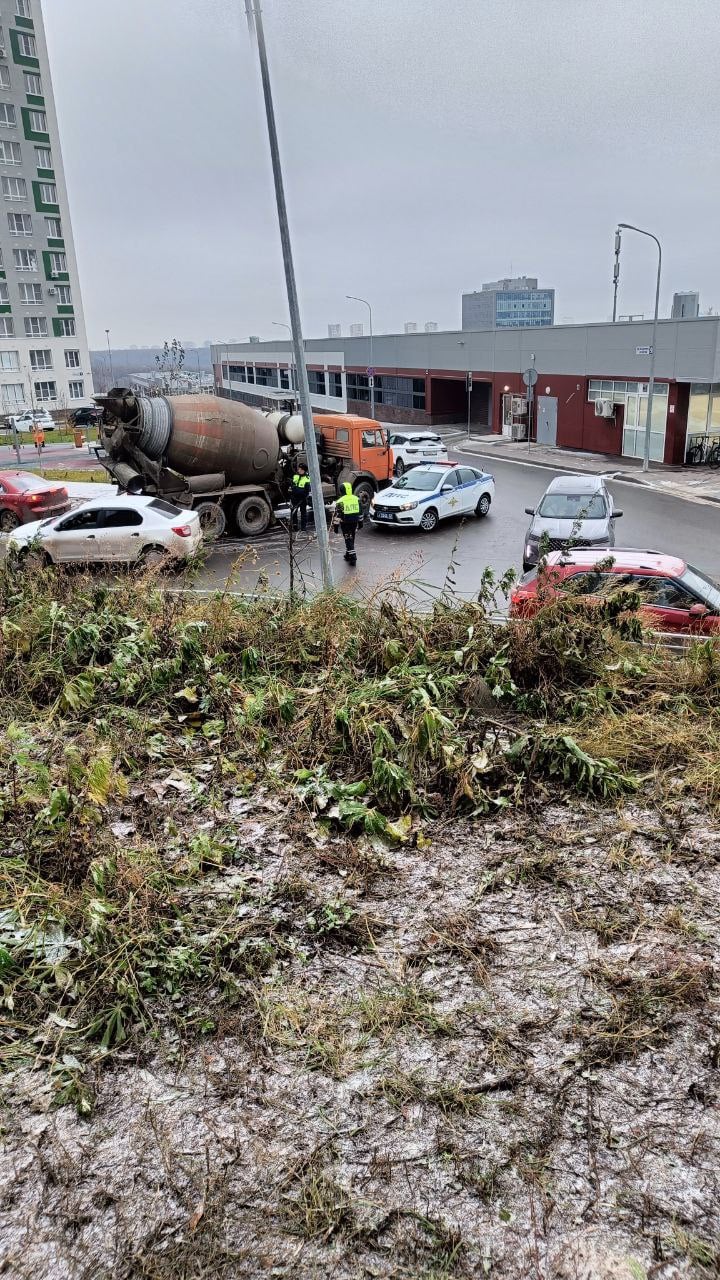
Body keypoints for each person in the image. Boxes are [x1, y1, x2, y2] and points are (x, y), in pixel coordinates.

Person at [333, 481, 362, 565]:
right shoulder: (356, 499)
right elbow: (360, 512)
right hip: (354, 522)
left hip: (345, 523)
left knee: (348, 539)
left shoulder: (340, 501)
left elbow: (338, 515)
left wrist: (335, 526)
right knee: (351, 538)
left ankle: (353, 557)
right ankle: (348, 554)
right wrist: (361, 523)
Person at [291, 463, 311, 531]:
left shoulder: (307, 479)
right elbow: (291, 488)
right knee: (294, 512)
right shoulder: (295, 476)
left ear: (304, 470)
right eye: (298, 469)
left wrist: (296, 489)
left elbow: (306, 491)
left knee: (303, 513)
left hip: (302, 499)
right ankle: (295, 526)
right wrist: (298, 490)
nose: (298, 470)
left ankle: (303, 527)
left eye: (300, 469)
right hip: (295, 498)